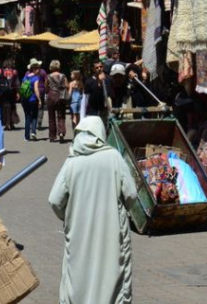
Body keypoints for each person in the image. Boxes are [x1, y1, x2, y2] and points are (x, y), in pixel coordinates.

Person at [48, 117, 136, 304]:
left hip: (79, 233)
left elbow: (55, 200)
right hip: (111, 232)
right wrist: (118, 210)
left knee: (78, 276)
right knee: (113, 275)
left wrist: (69, 217)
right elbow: (131, 194)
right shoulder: (113, 157)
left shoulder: (72, 162)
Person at [46, 60, 68, 142]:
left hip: (51, 96)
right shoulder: (63, 76)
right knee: (61, 116)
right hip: (60, 96)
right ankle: (61, 133)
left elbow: (46, 87)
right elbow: (67, 85)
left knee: (51, 117)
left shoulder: (48, 76)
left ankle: (52, 136)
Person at [22, 60, 43, 141]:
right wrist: (40, 100)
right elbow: (36, 89)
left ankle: (26, 137)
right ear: (34, 69)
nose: (39, 70)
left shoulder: (25, 77)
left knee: (27, 117)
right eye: (38, 68)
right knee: (34, 116)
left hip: (25, 99)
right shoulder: (36, 78)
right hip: (33, 99)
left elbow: (22, 88)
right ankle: (33, 132)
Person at [0, 59, 19, 131]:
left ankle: (6, 123)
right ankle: (12, 122)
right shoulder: (14, 72)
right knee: (12, 106)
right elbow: (17, 82)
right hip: (12, 91)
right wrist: (18, 92)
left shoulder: (2, 72)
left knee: (5, 107)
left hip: (4, 91)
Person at [68, 70, 84, 135]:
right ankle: (79, 131)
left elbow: (69, 93)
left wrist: (67, 99)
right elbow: (83, 92)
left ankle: (75, 131)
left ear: (75, 76)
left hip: (73, 101)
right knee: (79, 117)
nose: (70, 76)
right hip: (80, 101)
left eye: (71, 74)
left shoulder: (71, 83)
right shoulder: (81, 83)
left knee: (74, 117)